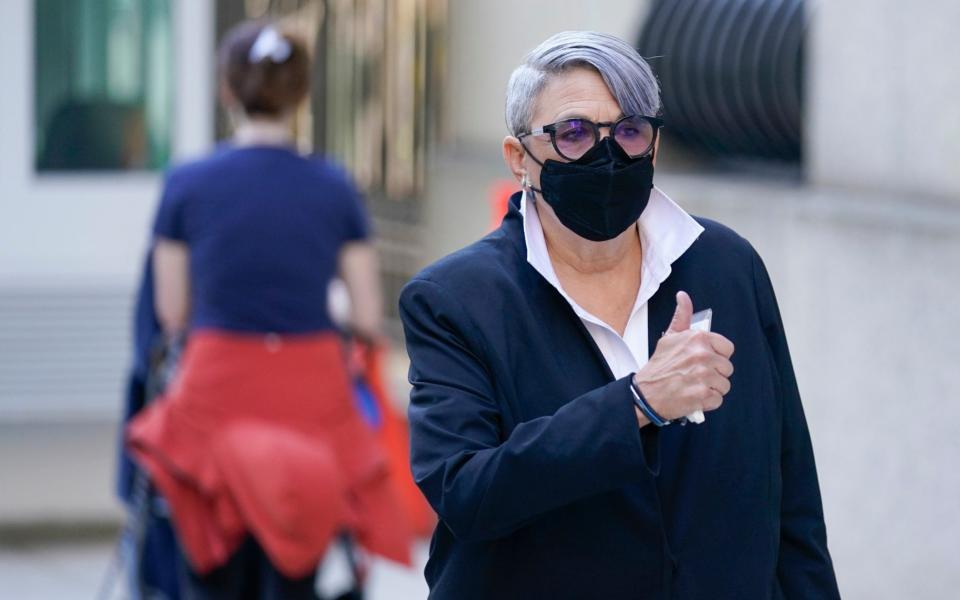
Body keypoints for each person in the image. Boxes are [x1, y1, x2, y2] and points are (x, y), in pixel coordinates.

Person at [399, 31, 840, 599]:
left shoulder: (726, 264)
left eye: (629, 131)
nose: (608, 154)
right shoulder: (456, 299)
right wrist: (636, 403)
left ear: (652, 147)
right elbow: (468, 494)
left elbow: (792, 491)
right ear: (520, 158)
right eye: (574, 134)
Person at [126, 21, 410, 599]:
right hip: (309, 399)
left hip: (216, 394)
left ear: (227, 91)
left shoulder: (186, 182)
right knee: (298, 562)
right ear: (301, 95)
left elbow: (171, 311)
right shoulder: (334, 186)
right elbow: (365, 312)